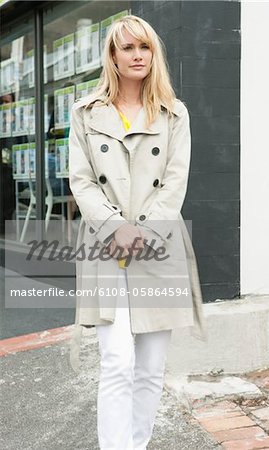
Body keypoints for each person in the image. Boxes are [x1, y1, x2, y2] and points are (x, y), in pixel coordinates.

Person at [68, 14, 206, 450]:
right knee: (116, 361)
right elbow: (81, 180)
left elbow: (175, 180)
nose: (137, 55)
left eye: (144, 47)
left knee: (149, 367)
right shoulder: (85, 113)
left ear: (154, 53)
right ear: (112, 55)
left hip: (156, 246)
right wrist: (114, 227)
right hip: (106, 247)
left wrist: (140, 231)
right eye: (127, 48)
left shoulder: (174, 113)